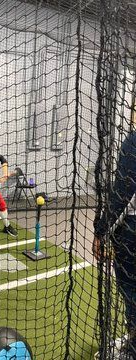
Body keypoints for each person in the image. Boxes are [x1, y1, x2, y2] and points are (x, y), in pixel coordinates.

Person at [93, 126, 136, 359]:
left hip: (132, 229)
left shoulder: (135, 140)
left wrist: (102, 232)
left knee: (131, 288)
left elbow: (123, 191)